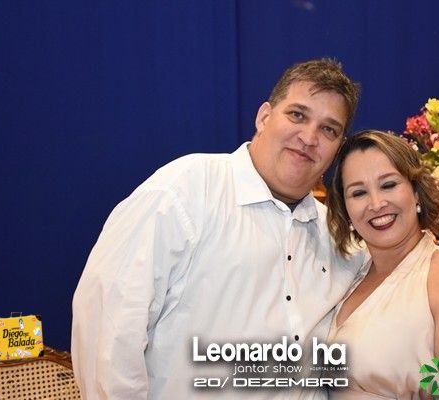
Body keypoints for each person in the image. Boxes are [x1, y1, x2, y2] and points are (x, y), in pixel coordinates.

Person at [71, 58, 365, 399]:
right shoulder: (184, 192)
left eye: (329, 129)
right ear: (264, 117)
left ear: (338, 148)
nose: (309, 137)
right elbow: (110, 332)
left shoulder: (338, 238)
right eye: (297, 115)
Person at [325, 130, 439, 399]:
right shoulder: (351, 276)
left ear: (415, 192)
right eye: (358, 193)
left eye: (388, 185)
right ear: (345, 209)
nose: (376, 204)